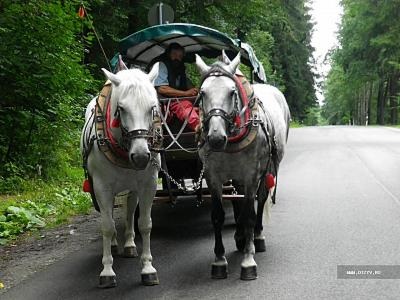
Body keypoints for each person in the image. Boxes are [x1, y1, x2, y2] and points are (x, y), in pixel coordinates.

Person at [154, 43, 200, 131]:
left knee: (202, 101)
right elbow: (162, 89)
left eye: (179, 56)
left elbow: (189, 85)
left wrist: (196, 90)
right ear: (168, 54)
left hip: (177, 99)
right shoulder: (162, 65)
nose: (177, 58)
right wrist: (186, 93)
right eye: (174, 54)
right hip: (164, 102)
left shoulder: (180, 68)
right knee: (184, 104)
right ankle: (197, 126)